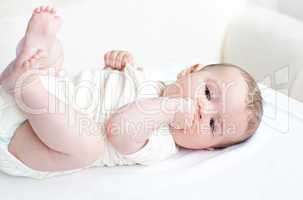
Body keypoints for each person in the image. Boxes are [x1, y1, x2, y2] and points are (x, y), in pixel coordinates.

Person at [0, 6, 263, 179]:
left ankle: (24, 84)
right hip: (49, 90)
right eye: (208, 93)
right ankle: (36, 53)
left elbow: (119, 128)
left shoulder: (162, 143)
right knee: (55, 58)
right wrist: (119, 64)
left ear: (205, 148)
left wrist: (170, 109)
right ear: (189, 71)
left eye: (213, 124)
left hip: (28, 140)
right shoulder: (148, 78)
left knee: (90, 146)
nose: (202, 111)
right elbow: (104, 86)